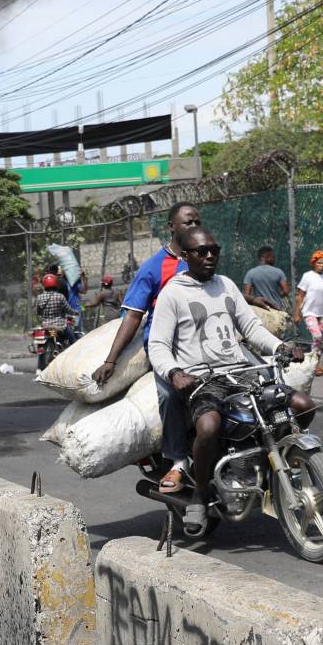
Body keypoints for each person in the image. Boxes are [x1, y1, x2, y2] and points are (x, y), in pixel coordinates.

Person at [149, 226, 315, 534]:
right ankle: (200, 494)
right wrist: (174, 373)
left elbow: (251, 329)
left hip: (241, 372)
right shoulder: (173, 292)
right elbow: (157, 344)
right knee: (209, 426)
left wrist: (282, 347)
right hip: (202, 380)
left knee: (303, 406)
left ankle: (273, 469)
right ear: (186, 256)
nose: (210, 255)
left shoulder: (226, 285)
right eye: (202, 251)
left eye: (215, 250)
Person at [91, 201, 204, 491]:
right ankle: (178, 460)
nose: (194, 227)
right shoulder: (155, 267)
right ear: (172, 227)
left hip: (204, 344)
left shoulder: (203, 258)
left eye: (197, 222)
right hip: (167, 348)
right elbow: (133, 315)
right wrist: (111, 360)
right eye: (187, 223)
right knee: (169, 394)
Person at [293, 250, 323, 355]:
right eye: (319, 262)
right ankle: (313, 360)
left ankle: (316, 364)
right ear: (314, 263)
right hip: (309, 312)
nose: (321, 265)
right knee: (317, 336)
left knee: (319, 341)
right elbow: (300, 296)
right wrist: (296, 314)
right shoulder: (307, 276)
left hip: (322, 314)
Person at [242, 245, 290, 313]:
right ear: (268, 258)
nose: (274, 259)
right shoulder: (279, 272)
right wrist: (276, 295)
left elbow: (247, 295)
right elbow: (286, 290)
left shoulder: (251, 273)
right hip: (277, 309)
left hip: (260, 310)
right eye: (273, 257)